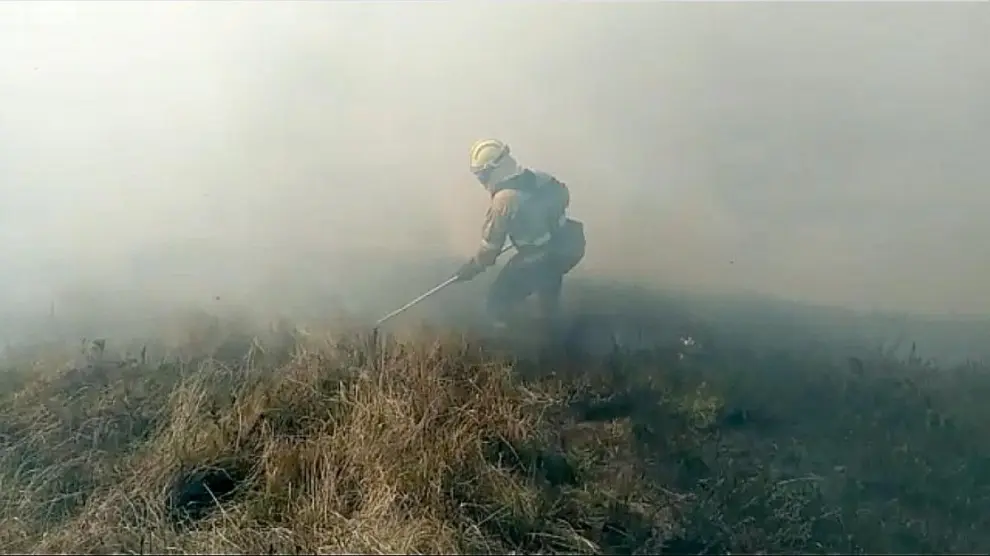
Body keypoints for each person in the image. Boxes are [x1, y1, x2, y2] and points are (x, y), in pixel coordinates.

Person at [455, 138, 586, 329]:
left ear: (495, 169)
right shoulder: (540, 177)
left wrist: (472, 268)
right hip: (570, 243)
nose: (481, 180)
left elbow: (490, 248)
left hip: (542, 256)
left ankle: (507, 337)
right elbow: (564, 196)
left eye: (482, 175)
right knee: (549, 279)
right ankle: (550, 323)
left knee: (497, 301)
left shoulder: (504, 201)